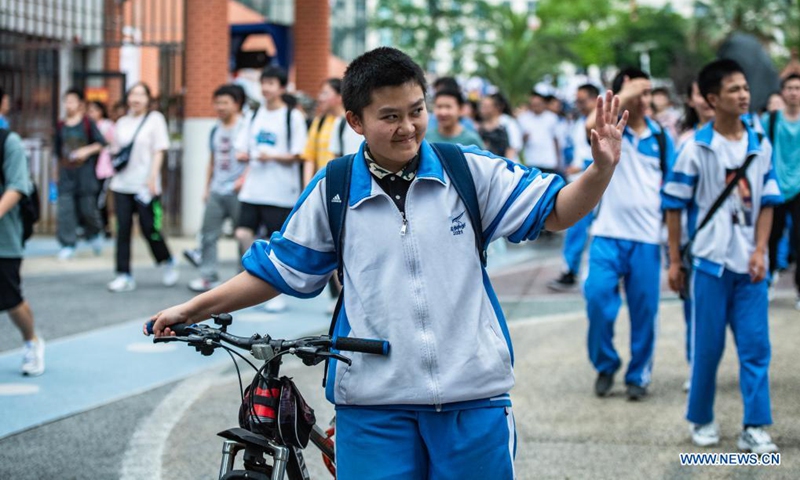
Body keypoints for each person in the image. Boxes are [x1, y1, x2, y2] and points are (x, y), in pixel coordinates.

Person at [147, 46, 627, 479]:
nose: (409, 127)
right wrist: (191, 310)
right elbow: (276, 271)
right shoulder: (334, 188)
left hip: (472, 401)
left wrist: (600, 170)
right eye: (390, 116)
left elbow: (558, 209)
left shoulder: (467, 171)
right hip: (373, 411)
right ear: (355, 121)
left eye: (416, 111)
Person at [663, 59, 782, 453]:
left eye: (745, 87)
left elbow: (768, 200)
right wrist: (676, 262)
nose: (744, 95)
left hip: (749, 265)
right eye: (734, 89)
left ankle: (755, 425)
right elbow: (674, 206)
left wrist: (762, 251)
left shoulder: (759, 143)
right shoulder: (695, 147)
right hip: (710, 263)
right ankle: (701, 418)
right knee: (707, 346)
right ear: (713, 99)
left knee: (755, 345)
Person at [583, 68, 675, 401]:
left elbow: (674, 191)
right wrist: (627, 93)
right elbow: (587, 129)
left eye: (650, 92)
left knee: (645, 311)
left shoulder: (661, 138)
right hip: (607, 234)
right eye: (639, 92)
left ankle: (639, 374)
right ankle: (606, 364)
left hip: (648, 239)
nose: (645, 99)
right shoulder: (605, 129)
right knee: (596, 298)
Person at [234, 66, 308, 313]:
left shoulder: (292, 117)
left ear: (282, 87)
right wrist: (244, 156)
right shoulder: (253, 115)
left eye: (272, 83)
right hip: (253, 189)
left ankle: (274, 290)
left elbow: (299, 154)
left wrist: (273, 156)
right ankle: (255, 281)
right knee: (243, 234)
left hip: (280, 191)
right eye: (263, 83)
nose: (266, 88)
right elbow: (241, 147)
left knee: (276, 243)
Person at [107, 82, 178, 292]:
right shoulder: (121, 122)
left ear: (148, 99)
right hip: (122, 184)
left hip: (145, 186)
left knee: (150, 228)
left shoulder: (155, 120)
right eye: (132, 94)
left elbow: (159, 150)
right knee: (123, 230)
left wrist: (152, 177)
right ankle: (123, 274)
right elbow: (116, 151)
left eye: (140, 94)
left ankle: (166, 260)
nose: (136, 99)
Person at [185, 85, 249, 293]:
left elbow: (253, 157)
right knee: (208, 234)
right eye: (217, 102)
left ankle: (243, 280)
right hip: (217, 189)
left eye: (225, 102)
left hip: (240, 191)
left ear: (237, 104)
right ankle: (208, 276)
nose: (220, 107)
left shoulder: (245, 127)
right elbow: (211, 160)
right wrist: (206, 187)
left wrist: (244, 179)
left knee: (242, 236)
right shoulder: (215, 129)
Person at [0, 126, 44, 375]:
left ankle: (32, 341)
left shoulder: (10, 142)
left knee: (11, 300)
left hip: (5, 240)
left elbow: (17, 187)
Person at [548, 84, 600, 291]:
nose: (578, 105)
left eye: (582, 100)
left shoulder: (600, 122)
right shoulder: (577, 123)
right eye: (577, 101)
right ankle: (570, 270)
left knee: (595, 231)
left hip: (596, 186)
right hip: (577, 184)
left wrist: (584, 167)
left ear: (595, 99)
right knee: (575, 229)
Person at [54, 88, 107, 260]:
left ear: (80, 104)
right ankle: (68, 244)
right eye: (66, 101)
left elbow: (101, 143)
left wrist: (86, 151)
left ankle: (94, 234)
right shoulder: (60, 125)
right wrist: (55, 174)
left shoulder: (87, 123)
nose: (68, 105)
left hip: (85, 173)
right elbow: (57, 152)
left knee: (88, 208)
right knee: (65, 209)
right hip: (66, 173)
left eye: (71, 101)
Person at [764, 74, 800, 309]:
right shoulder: (771, 119)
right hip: (775, 188)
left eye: (798, 88)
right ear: (782, 91)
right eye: (789, 87)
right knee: (770, 238)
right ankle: (766, 282)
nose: (794, 92)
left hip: (799, 189)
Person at [87, 100, 116, 238]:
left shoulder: (107, 125)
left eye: (94, 110)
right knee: (91, 198)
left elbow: (113, 143)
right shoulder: (88, 125)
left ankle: (104, 227)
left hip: (104, 168)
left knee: (100, 200)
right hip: (90, 168)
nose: (91, 113)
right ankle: (95, 227)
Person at [518, 89, 561, 174]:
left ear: (544, 104)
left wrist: (558, 160)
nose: (536, 107)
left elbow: (556, 140)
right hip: (531, 160)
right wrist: (524, 138)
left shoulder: (552, 118)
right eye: (533, 104)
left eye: (538, 104)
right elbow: (518, 142)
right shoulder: (523, 118)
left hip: (549, 161)